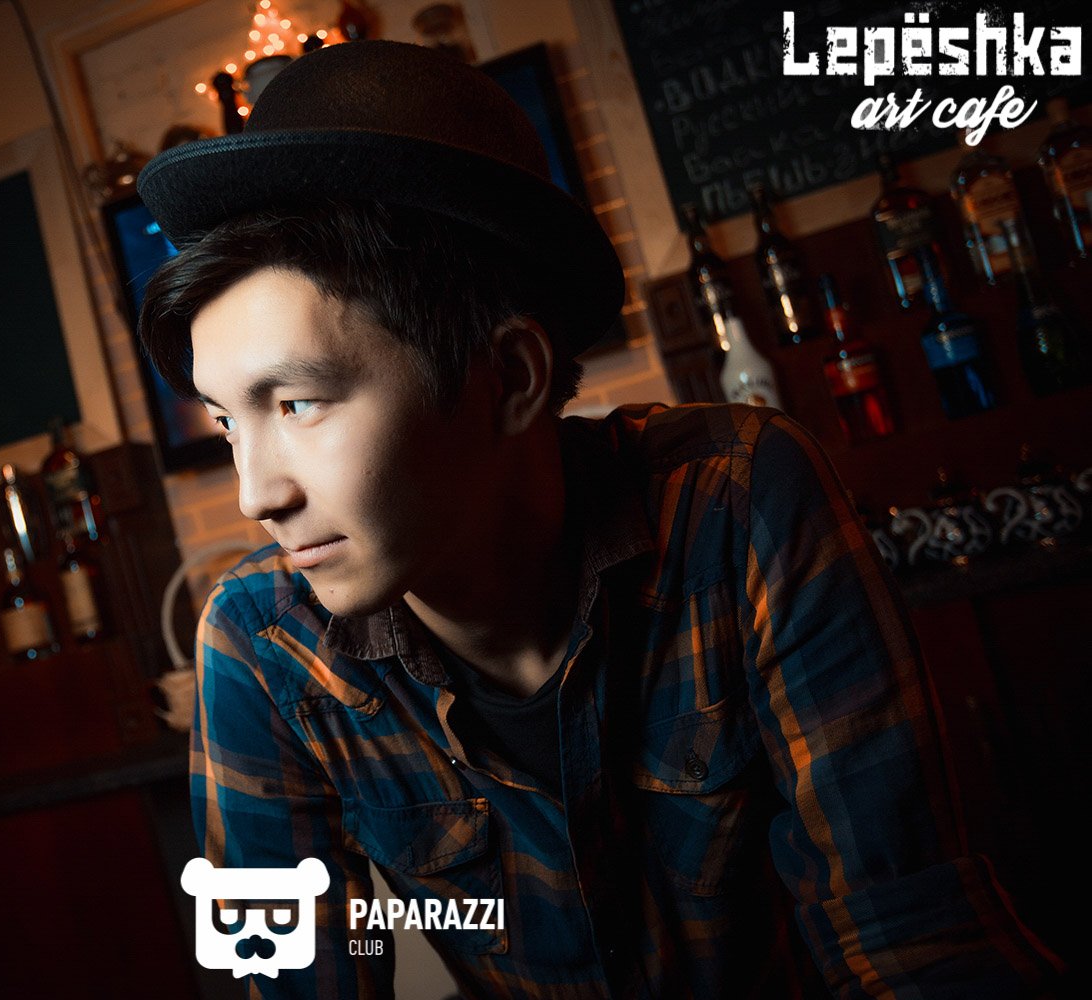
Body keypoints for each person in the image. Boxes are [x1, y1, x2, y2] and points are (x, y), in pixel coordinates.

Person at [135, 40, 1063, 999]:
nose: (256, 496)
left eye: (298, 404)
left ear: (513, 376)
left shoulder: (735, 499)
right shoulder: (259, 640)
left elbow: (910, 932)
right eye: (227, 423)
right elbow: (292, 980)